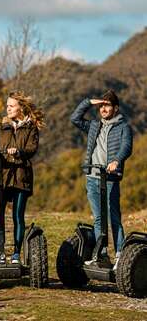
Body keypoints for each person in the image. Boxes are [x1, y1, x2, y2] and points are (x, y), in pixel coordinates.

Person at [0, 92, 44, 265]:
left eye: (11, 106)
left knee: (18, 216)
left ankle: (16, 253)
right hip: (1, 176)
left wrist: (19, 151)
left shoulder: (31, 128)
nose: (8, 109)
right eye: (7, 106)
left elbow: (32, 148)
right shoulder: (0, 126)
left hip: (21, 176)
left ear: (20, 108)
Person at [70, 90, 133, 269]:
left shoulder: (123, 127)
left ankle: (121, 255)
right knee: (98, 218)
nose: (104, 109)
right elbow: (74, 118)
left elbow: (126, 147)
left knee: (114, 216)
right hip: (92, 177)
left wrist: (116, 161)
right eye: (102, 106)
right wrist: (89, 102)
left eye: (107, 105)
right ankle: (101, 254)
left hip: (111, 178)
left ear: (116, 108)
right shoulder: (94, 126)